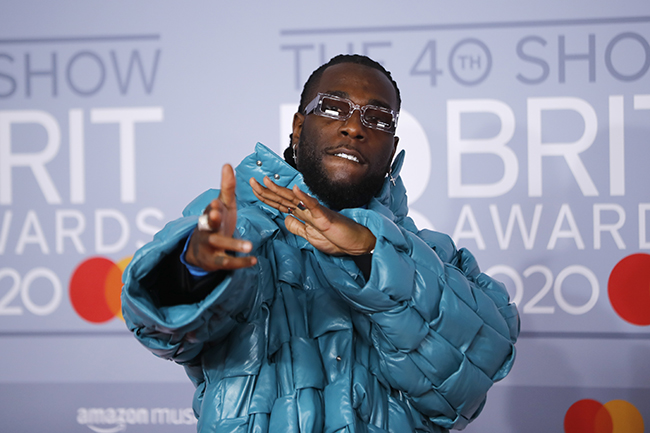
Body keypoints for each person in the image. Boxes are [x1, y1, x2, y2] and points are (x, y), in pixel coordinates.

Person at [122, 54, 520, 433]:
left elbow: (464, 387)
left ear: (392, 149)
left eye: (378, 119)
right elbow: (161, 327)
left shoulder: (435, 258)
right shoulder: (239, 226)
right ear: (298, 128)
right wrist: (196, 269)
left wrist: (370, 252)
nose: (354, 127)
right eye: (333, 108)